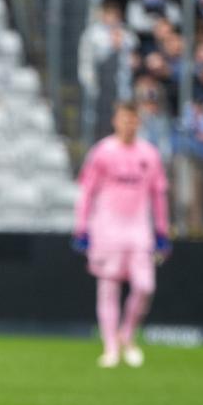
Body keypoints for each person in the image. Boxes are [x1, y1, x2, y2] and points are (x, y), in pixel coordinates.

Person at [72, 101, 169, 369]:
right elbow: (87, 192)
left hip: (139, 230)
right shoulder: (102, 152)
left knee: (145, 286)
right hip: (107, 229)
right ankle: (110, 347)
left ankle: (127, 333)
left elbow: (159, 194)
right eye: (124, 119)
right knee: (108, 289)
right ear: (115, 121)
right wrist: (82, 227)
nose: (128, 124)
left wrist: (162, 230)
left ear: (139, 122)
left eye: (133, 119)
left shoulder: (149, 154)